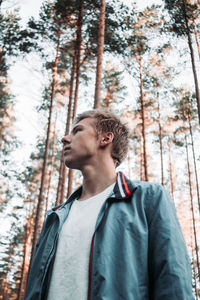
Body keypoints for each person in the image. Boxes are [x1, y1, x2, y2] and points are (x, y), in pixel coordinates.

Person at [24, 109, 194, 300]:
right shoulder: (55, 217)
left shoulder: (148, 198)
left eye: (77, 131)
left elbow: (173, 282)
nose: (64, 139)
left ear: (105, 139)